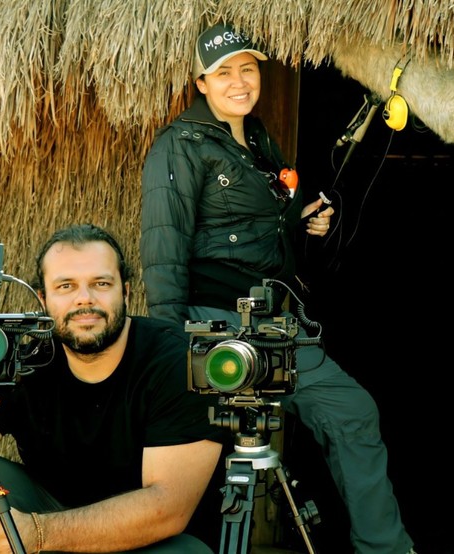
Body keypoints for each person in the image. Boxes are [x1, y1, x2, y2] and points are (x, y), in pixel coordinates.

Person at [139, 22, 416, 554]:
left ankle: (385, 547)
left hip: (275, 321)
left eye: (247, 69)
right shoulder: (181, 146)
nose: (239, 82)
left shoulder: (260, 140)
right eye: (223, 73)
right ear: (201, 82)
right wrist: (172, 349)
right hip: (215, 323)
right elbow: (163, 248)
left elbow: (260, 236)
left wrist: (304, 220)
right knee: (213, 449)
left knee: (352, 412)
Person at [0, 223, 225, 554]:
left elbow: (168, 509)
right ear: (43, 298)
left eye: (101, 283)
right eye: (66, 286)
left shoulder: (176, 361)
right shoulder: (25, 362)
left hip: (153, 541)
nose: (85, 299)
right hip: (54, 521)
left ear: (125, 291)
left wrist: (38, 533)